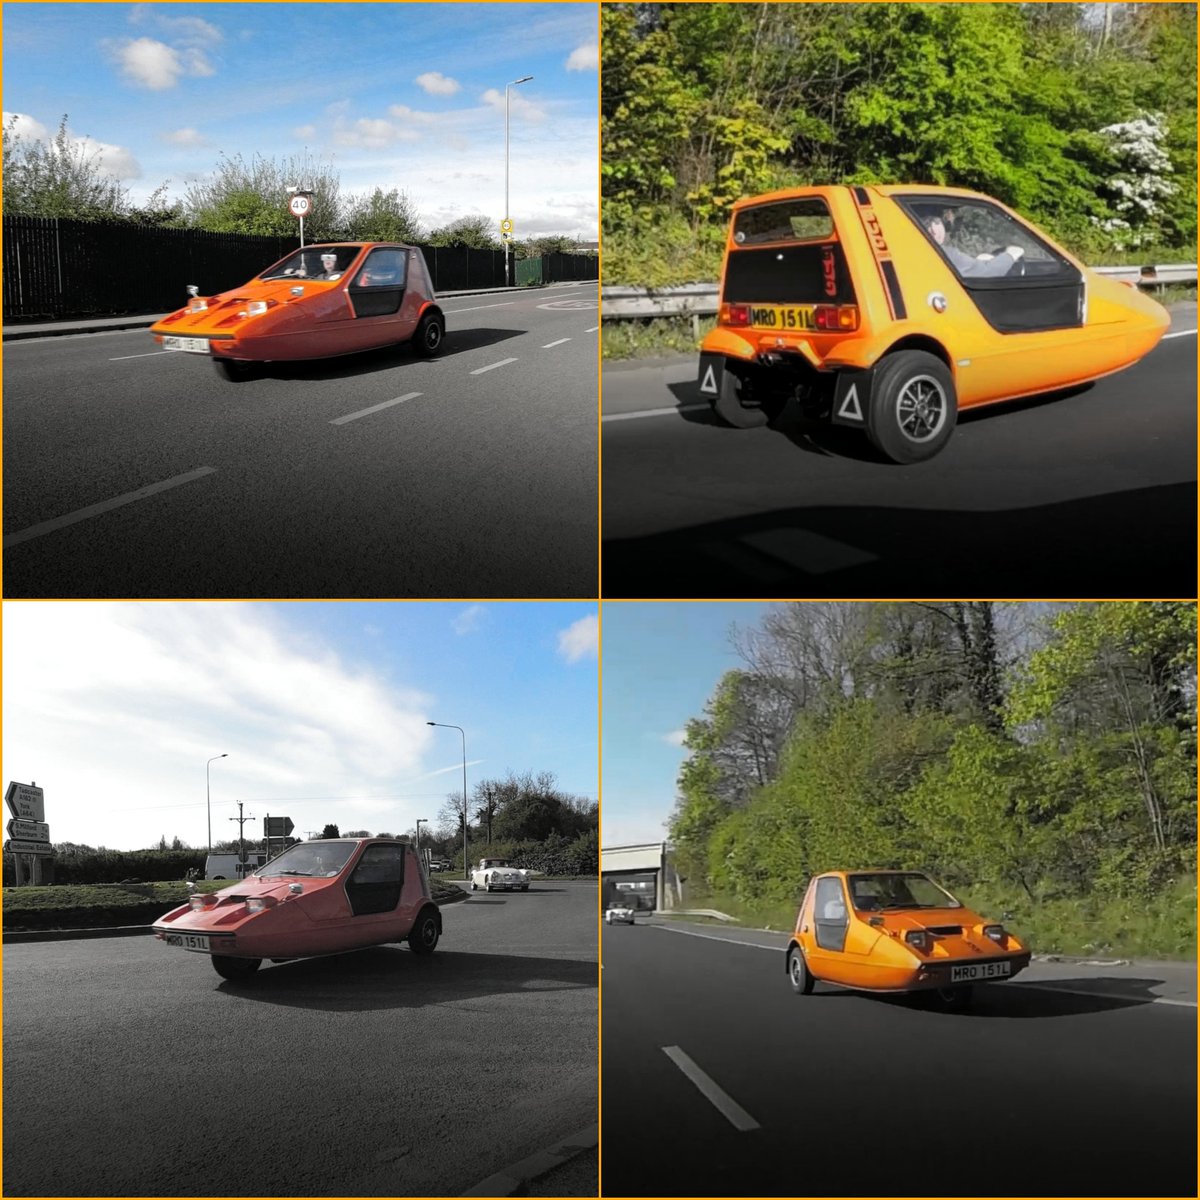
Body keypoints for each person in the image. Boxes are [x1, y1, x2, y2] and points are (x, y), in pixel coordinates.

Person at [924, 212, 1023, 279]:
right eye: (927, 224)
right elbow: (988, 272)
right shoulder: (946, 254)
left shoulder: (920, 253)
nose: (934, 230)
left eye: (937, 222)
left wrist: (978, 261)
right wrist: (1010, 255)